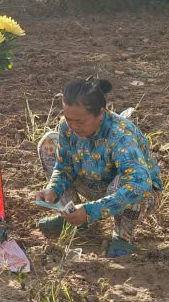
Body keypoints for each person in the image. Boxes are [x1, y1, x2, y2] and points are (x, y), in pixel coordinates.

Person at [36, 78, 162, 255]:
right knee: (49, 142)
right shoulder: (66, 127)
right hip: (92, 182)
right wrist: (53, 190)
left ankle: (122, 235)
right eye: (69, 119)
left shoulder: (119, 135)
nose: (73, 127)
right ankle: (71, 215)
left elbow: (139, 183)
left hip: (138, 192)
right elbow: (64, 167)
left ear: (100, 113)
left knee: (126, 182)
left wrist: (90, 211)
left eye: (80, 122)